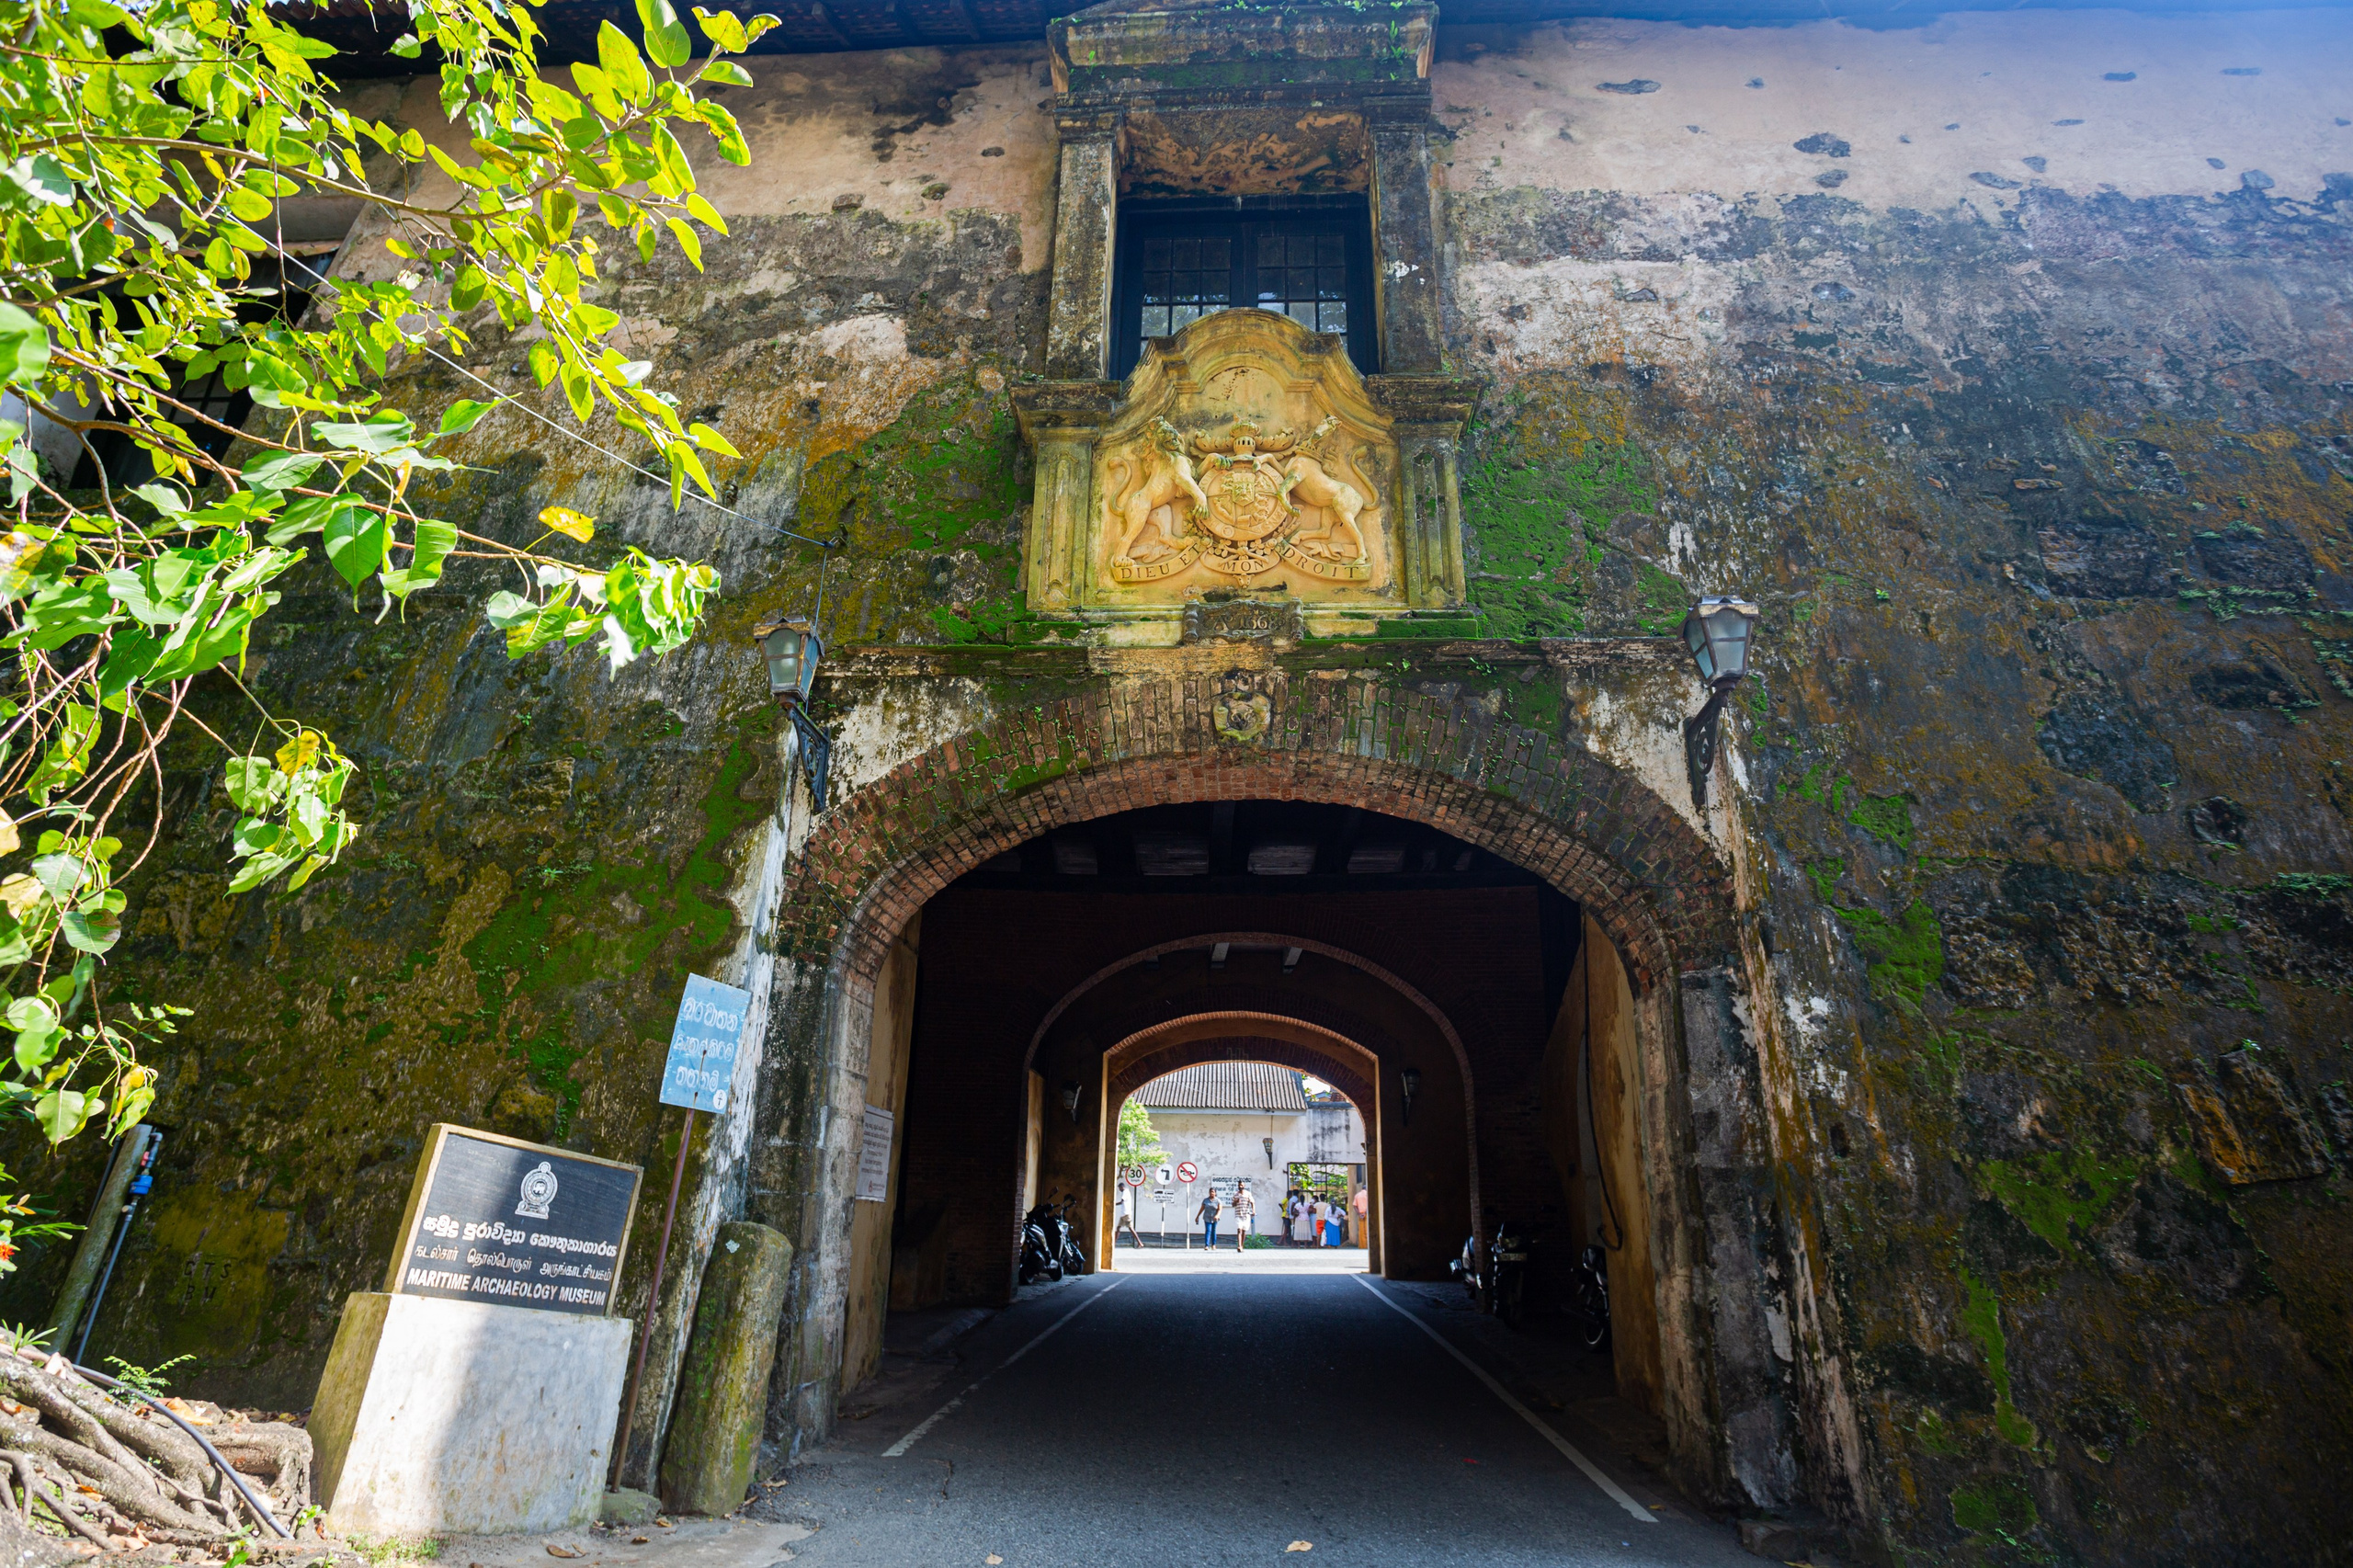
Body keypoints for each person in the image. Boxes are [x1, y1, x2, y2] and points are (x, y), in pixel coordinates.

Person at [1196, 1184, 1223, 1249]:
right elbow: (1202, 1209)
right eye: (1211, 1192)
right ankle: (1206, 1245)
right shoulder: (1206, 1200)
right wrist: (1197, 1216)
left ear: (1215, 1193)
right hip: (1207, 1217)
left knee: (1213, 1231)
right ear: (1209, 1192)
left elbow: (1220, 1209)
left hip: (1214, 1218)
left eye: (1213, 1192)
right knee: (1208, 1230)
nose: (1212, 1193)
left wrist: (1217, 1215)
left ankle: (1213, 1244)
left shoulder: (1218, 1201)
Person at [1231, 1182, 1256, 1251]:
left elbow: (1252, 1202)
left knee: (1244, 1231)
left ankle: (1242, 1245)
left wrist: (1253, 1211)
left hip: (1246, 1215)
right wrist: (1236, 1201)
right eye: (1239, 1185)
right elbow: (1233, 1205)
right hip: (1238, 1214)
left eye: (1242, 1185)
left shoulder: (1248, 1194)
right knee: (1239, 1229)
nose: (1240, 1186)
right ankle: (1239, 1246)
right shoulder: (1235, 1194)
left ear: (1244, 1186)